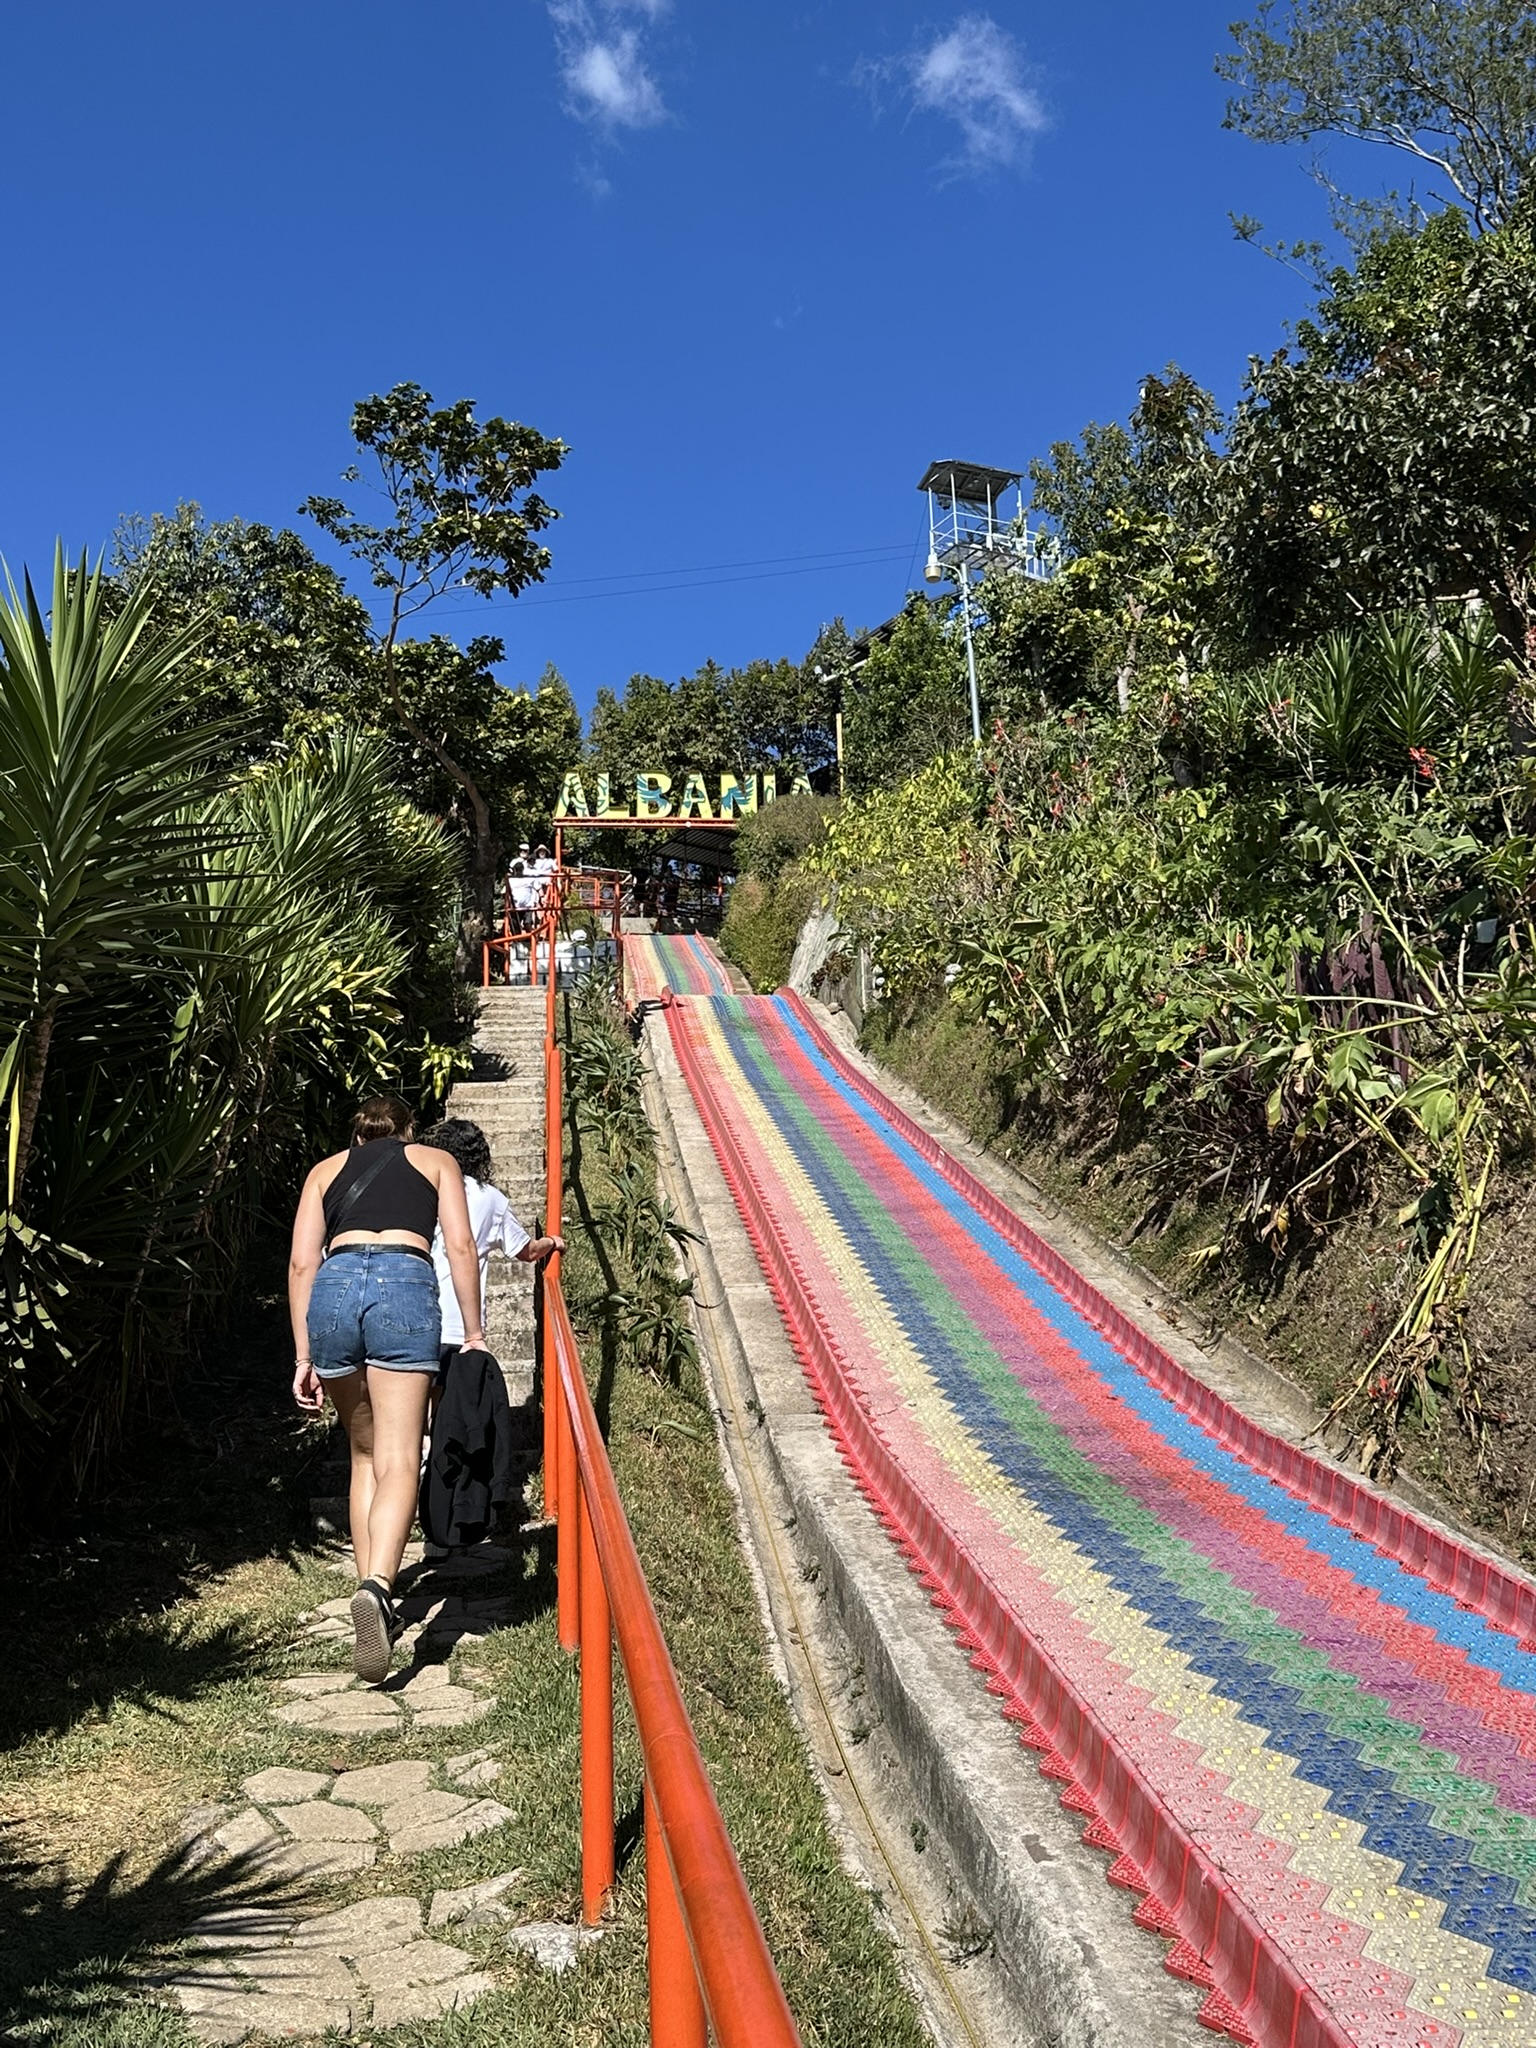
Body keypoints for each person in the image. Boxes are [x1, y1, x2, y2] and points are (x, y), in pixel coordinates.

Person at [288, 1094, 487, 1683]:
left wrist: (302, 1352)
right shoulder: (435, 1162)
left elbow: (302, 1264)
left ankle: (366, 1587)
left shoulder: (323, 1171)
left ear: (357, 1135)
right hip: (403, 1279)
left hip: (334, 1287)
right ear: (409, 1131)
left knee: (365, 1454)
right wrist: (473, 1332)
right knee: (403, 1456)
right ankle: (378, 1587)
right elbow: (460, 1245)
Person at [418, 1118, 561, 1363]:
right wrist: (552, 1242)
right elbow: (528, 1251)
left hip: (415, 1313)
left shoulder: (422, 1188)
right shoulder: (491, 1199)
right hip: (458, 1324)